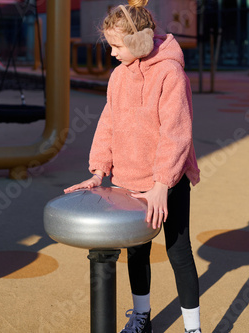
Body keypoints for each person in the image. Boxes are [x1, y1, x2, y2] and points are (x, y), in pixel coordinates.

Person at [64, 1, 202, 332]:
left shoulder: (170, 73)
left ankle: (193, 328)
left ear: (139, 42)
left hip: (167, 183)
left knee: (178, 253)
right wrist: (98, 170)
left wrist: (161, 185)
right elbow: (108, 124)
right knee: (137, 253)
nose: (111, 53)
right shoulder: (118, 76)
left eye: (116, 45)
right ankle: (142, 317)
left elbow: (177, 132)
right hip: (128, 182)